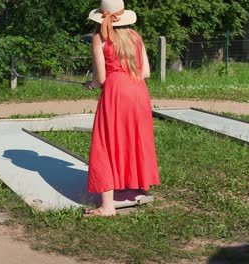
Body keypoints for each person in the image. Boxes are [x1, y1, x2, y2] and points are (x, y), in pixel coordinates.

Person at [82, 0, 160, 217]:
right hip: (138, 91)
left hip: (115, 93)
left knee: (106, 142)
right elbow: (145, 72)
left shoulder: (100, 38)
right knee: (134, 138)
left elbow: (101, 78)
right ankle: (134, 185)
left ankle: (107, 207)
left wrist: (92, 85)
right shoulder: (135, 37)